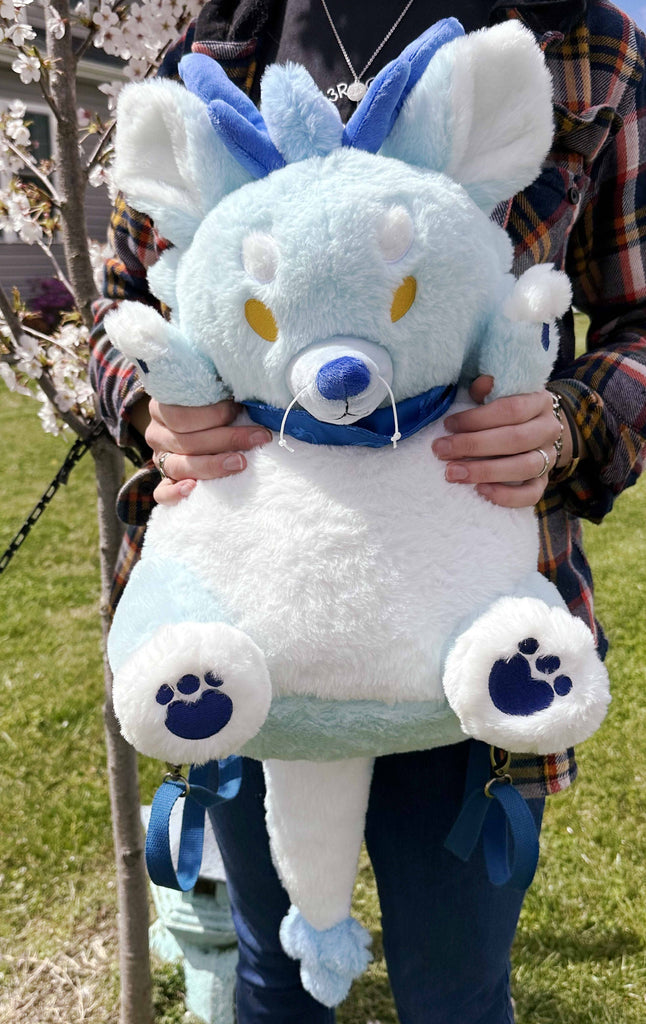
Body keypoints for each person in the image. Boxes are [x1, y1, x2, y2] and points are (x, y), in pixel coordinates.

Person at [90, 1, 646, 1021]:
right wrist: (148, 404)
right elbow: (120, 298)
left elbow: (636, 315)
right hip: (251, 610)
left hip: (471, 604)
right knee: (276, 975)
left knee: (454, 987)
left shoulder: (586, 47)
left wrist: (567, 423)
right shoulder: (213, 42)